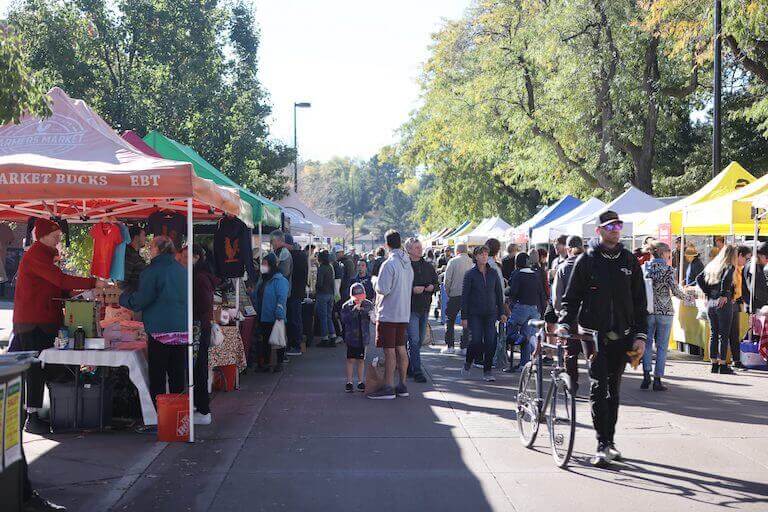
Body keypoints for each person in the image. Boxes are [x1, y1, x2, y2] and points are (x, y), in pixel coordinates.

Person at [11, 218, 102, 512]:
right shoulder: (36, 254)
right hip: (33, 322)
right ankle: (32, 415)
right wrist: (91, 283)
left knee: (47, 367)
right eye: (56, 235)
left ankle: (43, 411)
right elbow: (59, 281)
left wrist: (74, 293)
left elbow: (58, 285)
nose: (59, 240)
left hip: (43, 320)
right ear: (44, 236)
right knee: (36, 367)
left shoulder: (46, 255)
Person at [557, 210, 647, 467]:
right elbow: (571, 298)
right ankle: (602, 444)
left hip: (624, 335)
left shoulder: (629, 261)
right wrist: (565, 323)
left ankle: (610, 441)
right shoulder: (587, 260)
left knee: (614, 388)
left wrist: (640, 336)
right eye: (609, 226)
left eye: (618, 225)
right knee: (599, 386)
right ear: (599, 231)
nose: (615, 229)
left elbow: (641, 303)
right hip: (592, 335)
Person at [120, 235, 188, 405]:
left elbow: (142, 299)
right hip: (181, 329)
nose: (149, 250)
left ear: (158, 249)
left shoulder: (152, 271)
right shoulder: (182, 270)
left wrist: (123, 299)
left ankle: (161, 418)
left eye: (151, 247)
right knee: (177, 376)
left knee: (158, 378)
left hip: (160, 331)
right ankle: (178, 418)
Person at [368, 230, 414, 400]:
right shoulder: (407, 263)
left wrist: (374, 281)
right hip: (403, 312)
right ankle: (401, 385)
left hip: (389, 312)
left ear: (386, 244)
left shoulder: (389, 264)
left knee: (389, 352)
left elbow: (383, 289)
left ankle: (387, 387)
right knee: (401, 348)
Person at [641, 241, 686, 391]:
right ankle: (657, 380)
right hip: (665, 311)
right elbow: (675, 290)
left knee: (646, 344)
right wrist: (688, 298)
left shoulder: (644, 268)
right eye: (668, 252)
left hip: (647, 311)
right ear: (662, 253)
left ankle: (646, 375)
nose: (669, 255)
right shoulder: (668, 270)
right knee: (661, 347)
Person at [460, 245, 506, 382]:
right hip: (475, 314)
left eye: (486, 254)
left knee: (491, 341)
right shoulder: (470, 274)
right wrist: (464, 317)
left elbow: (499, 293)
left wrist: (501, 312)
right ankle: (468, 362)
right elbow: (465, 297)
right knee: (476, 341)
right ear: (476, 257)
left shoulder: (493, 273)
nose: (484, 256)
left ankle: (487, 371)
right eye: (481, 254)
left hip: (491, 313)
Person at [549, 235, 584, 388]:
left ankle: (572, 384)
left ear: (568, 249)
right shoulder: (592, 266)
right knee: (593, 352)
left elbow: (557, 297)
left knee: (570, 352)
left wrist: (559, 315)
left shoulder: (563, 267)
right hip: (590, 317)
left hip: (570, 318)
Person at [191, 244, 220, 424]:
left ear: (197, 257)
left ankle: (202, 409)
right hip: (201, 325)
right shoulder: (202, 276)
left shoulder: (199, 277)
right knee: (198, 367)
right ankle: (200, 407)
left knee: (199, 368)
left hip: (199, 327)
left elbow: (203, 304)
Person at [697, 244, 737, 375]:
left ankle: (714, 364)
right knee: (723, 335)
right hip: (722, 304)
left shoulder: (712, 265)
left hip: (711, 303)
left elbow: (699, 278)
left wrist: (708, 293)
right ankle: (723, 364)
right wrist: (724, 293)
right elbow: (726, 279)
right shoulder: (729, 266)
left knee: (714, 334)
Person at [506, 252, 547, 371]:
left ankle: (520, 338)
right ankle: (524, 364)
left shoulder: (518, 274)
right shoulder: (535, 274)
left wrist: (506, 292)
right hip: (534, 309)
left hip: (521, 308)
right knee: (527, 335)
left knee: (510, 333)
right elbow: (541, 292)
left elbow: (513, 292)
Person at [406, 237, 439, 383]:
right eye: (417, 247)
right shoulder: (405, 267)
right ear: (409, 250)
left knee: (418, 341)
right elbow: (399, 287)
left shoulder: (427, 266)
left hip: (425, 307)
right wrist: (412, 290)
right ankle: (417, 371)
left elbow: (436, 282)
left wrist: (433, 287)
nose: (420, 249)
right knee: (414, 340)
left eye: (420, 247)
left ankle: (409, 364)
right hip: (410, 308)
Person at [252, 253, 290, 372]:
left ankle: (279, 363)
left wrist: (279, 311)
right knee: (266, 340)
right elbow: (257, 294)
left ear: (271, 265)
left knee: (278, 340)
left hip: (275, 315)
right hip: (263, 314)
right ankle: (266, 363)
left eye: (265, 264)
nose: (263, 266)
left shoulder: (280, 280)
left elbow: (282, 297)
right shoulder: (263, 279)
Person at [340, 283, 374, 392]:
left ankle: (360, 381)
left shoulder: (368, 304)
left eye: (361, 297)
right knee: (350, 360)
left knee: (361, 360)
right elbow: (344, 320)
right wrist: (355, 309)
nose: (359, 299)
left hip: (363, 339)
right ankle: (349, 382)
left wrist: (370, 315)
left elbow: (373, 317)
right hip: (351, 338)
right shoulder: (347, 306)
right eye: (356, 297)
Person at [443, 243, 474, 354]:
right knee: (466, 321)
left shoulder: (453, 261)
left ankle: (450, 346)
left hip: (455, 294)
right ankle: (464, 346)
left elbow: (447, 280)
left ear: (457, 251)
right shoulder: (472, 262)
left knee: (450, 320)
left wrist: (448, 292)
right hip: (469, 296)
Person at [729, 245, 751, 369]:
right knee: (729, 333)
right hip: (731, 303)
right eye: (746, 258)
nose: (747, 261)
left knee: (733, 333)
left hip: (736, 303)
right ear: (740, 256)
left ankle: (735, 360)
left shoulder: (740, 269)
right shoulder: (733, 268)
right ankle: (725, 362)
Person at [286, 240, 309, 356]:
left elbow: (292, 275)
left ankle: (296, 345)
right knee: (296, 319)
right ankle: (297, 344)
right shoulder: (302, 257)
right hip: (298, 293)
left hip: (294, 293)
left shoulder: (294, 257)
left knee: (294, 319)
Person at [315, 250, 336, 347]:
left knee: (323, 317)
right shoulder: (330, 267)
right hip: (331, 294)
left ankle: (325, 338)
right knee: (329, 316)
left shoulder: (321, 268)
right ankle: (332, 337)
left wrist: (316, 289)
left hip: (322, 294)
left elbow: (319, 283)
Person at [745, 242, 768, 311]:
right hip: (757, 308)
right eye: (767, 258)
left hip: (755, 306)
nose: (767, 261)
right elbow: (755, 290)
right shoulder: (753, 267)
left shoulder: (754, 265)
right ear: (760, 255)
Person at [124, 225, 147, 292]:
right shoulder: (129, 254)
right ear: (136, 237)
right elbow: (122, 283)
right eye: (144, 235)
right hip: (132, 297)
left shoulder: (134, 254)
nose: (145, 238)